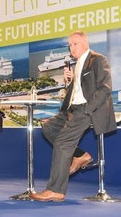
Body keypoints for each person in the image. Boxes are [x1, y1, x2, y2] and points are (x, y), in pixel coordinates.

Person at [30, 31, 117, 202]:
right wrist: (69, 82)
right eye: (70, 44)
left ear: (85, 43)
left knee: (62, 143)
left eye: (75, 43)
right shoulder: (77, 64)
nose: (72, 47)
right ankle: (80, 155)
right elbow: (79, 89)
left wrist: (88, 109)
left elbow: (105, 87)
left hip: (87, 109)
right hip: (71, 109)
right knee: (48, 127)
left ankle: (55, 190)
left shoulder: (97, 59)